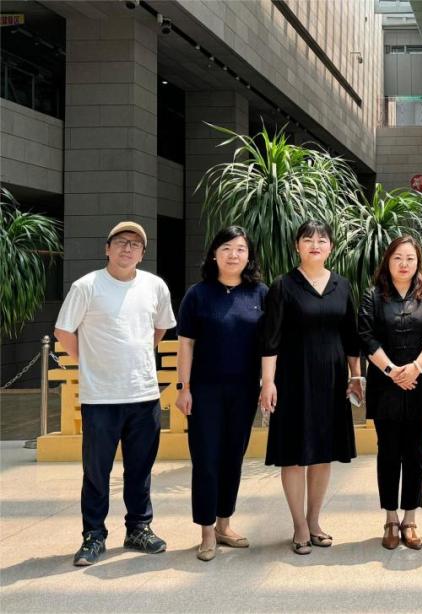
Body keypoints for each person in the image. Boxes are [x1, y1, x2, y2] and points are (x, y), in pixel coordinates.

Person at [54, 221, 177, 566]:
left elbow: (160, 328)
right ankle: (93, 535)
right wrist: (90, 360)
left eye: (135, 244)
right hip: (101, 398)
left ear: (142, 253)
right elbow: (63, 331)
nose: (128, 248)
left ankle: (138, 528)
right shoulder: (87, 286)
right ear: (107, 248)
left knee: (140, 468)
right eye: (121, 242)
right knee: (97, 471)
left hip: (143, 394)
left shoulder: (155, 286)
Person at [259, 220, 363, 555]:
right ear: (297, 246)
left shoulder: (342, 285)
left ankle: (314, 520)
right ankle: (299, 526)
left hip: (332, 381)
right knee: (294, 454)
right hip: (292, 380)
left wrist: (356, 377)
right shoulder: (283, 286)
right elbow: (271, 340)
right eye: (308, 239)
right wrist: (268, 382)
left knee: (322, 453)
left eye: (321, 240)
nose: (315, 245)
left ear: (331, 247)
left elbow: (351, 337)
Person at [175, 226, 268, 561]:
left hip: (244, 390)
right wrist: (183, 388)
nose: (233, 255)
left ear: (249, 256)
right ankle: (206, 530)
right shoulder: (197, 295)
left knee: (233, 457)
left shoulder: (260, 294)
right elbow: (186, 345)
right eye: (226, 248)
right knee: (206, 459)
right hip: (205, 392)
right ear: (214, 254)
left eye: (240, 249)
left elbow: (269, 345)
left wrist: (268, 383)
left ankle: (224, 524)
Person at [358, 236, 422, 551]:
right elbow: (366, 336)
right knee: (389, 452)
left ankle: (410, 519)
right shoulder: (372, 296)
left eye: (410, 258)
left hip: (420, 385)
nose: (404, 264)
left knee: (416, 453)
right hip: (385, 387)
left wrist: (415, 369)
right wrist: (392, 371)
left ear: (418, 262)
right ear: (387, 261)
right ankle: (391, 518)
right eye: (397, 258)